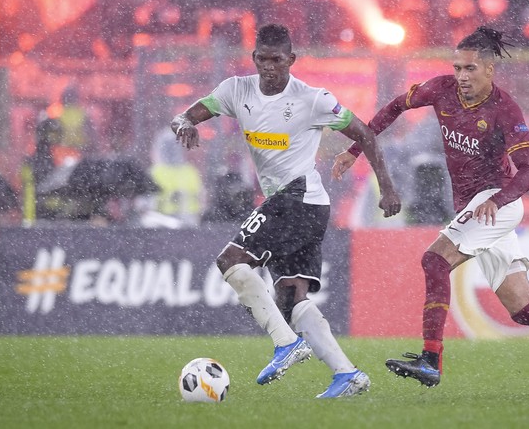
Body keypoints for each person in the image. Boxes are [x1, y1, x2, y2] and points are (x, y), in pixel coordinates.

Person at [333, 26, 529, 387]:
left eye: (470, 69)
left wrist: (497, 201)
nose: (461, 76)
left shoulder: (504, 109)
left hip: (496, 201)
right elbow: (394, 107)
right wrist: (353, 150)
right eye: (457, 68)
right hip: (474, 206)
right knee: (526, 310)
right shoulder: (440, 90)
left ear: (489, 70)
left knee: (434, 260)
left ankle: (431, 359)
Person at [170, 23, 401, 398]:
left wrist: (387, 187)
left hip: (300, 198)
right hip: (295, 204)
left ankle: (285, 344)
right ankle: (347, 375)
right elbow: (185, 115)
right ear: (254, 58)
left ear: (291, 60)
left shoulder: (314, 99)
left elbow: (365, 132)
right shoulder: (235, 90)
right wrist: (184, 125)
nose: (269, 67)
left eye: (277, 60)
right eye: (262, 59)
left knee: (230, 261)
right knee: (292, 299)